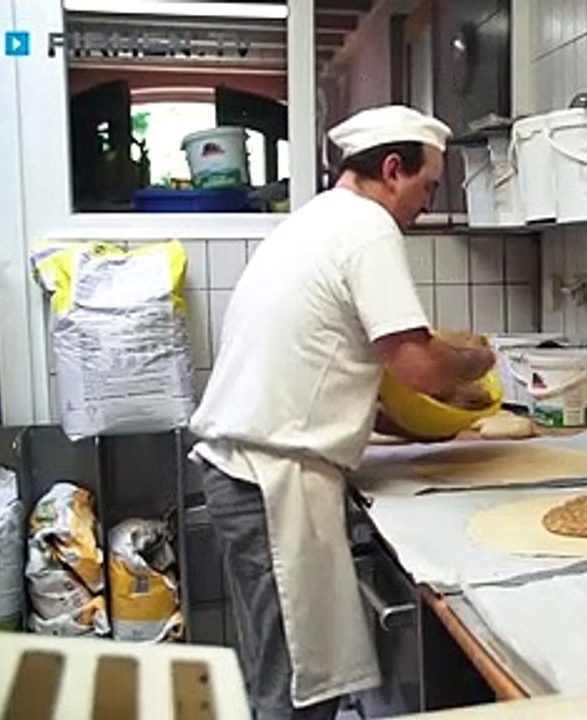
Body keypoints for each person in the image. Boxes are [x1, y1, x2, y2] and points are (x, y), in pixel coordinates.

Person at [189, 105, 496, 719]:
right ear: (391, 170)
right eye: (428, 185)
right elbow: (414, 361)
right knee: (299, 686)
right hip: (267, 485)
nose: (428, 203)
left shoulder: (318, 222)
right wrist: (478, 361)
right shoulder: (366, 228)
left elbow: (335, 371)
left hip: (247, 471)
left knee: (281, 675)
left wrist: (413, 424)